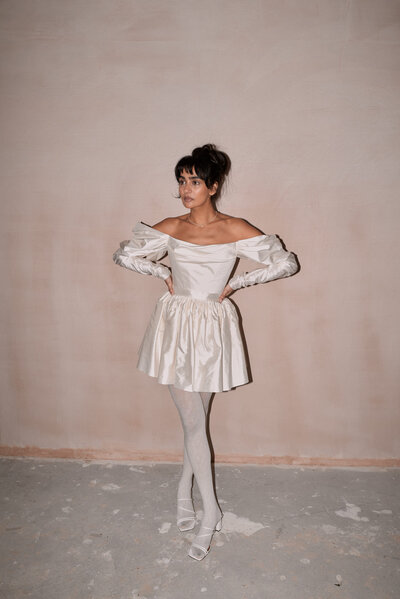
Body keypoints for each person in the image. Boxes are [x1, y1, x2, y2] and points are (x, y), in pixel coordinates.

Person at [112, 143, 298, 561]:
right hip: (176, 326)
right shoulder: (171, 226)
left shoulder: (235, 228)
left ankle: (183, 491)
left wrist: (238, 285)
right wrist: (161, 271)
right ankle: (211, 510)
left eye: (194, 181)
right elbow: (124, 253)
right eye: (181, 181)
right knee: (193, 421)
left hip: (212, 329)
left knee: (198, 420)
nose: (185, 189)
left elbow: (285, 262)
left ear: (213, 186)